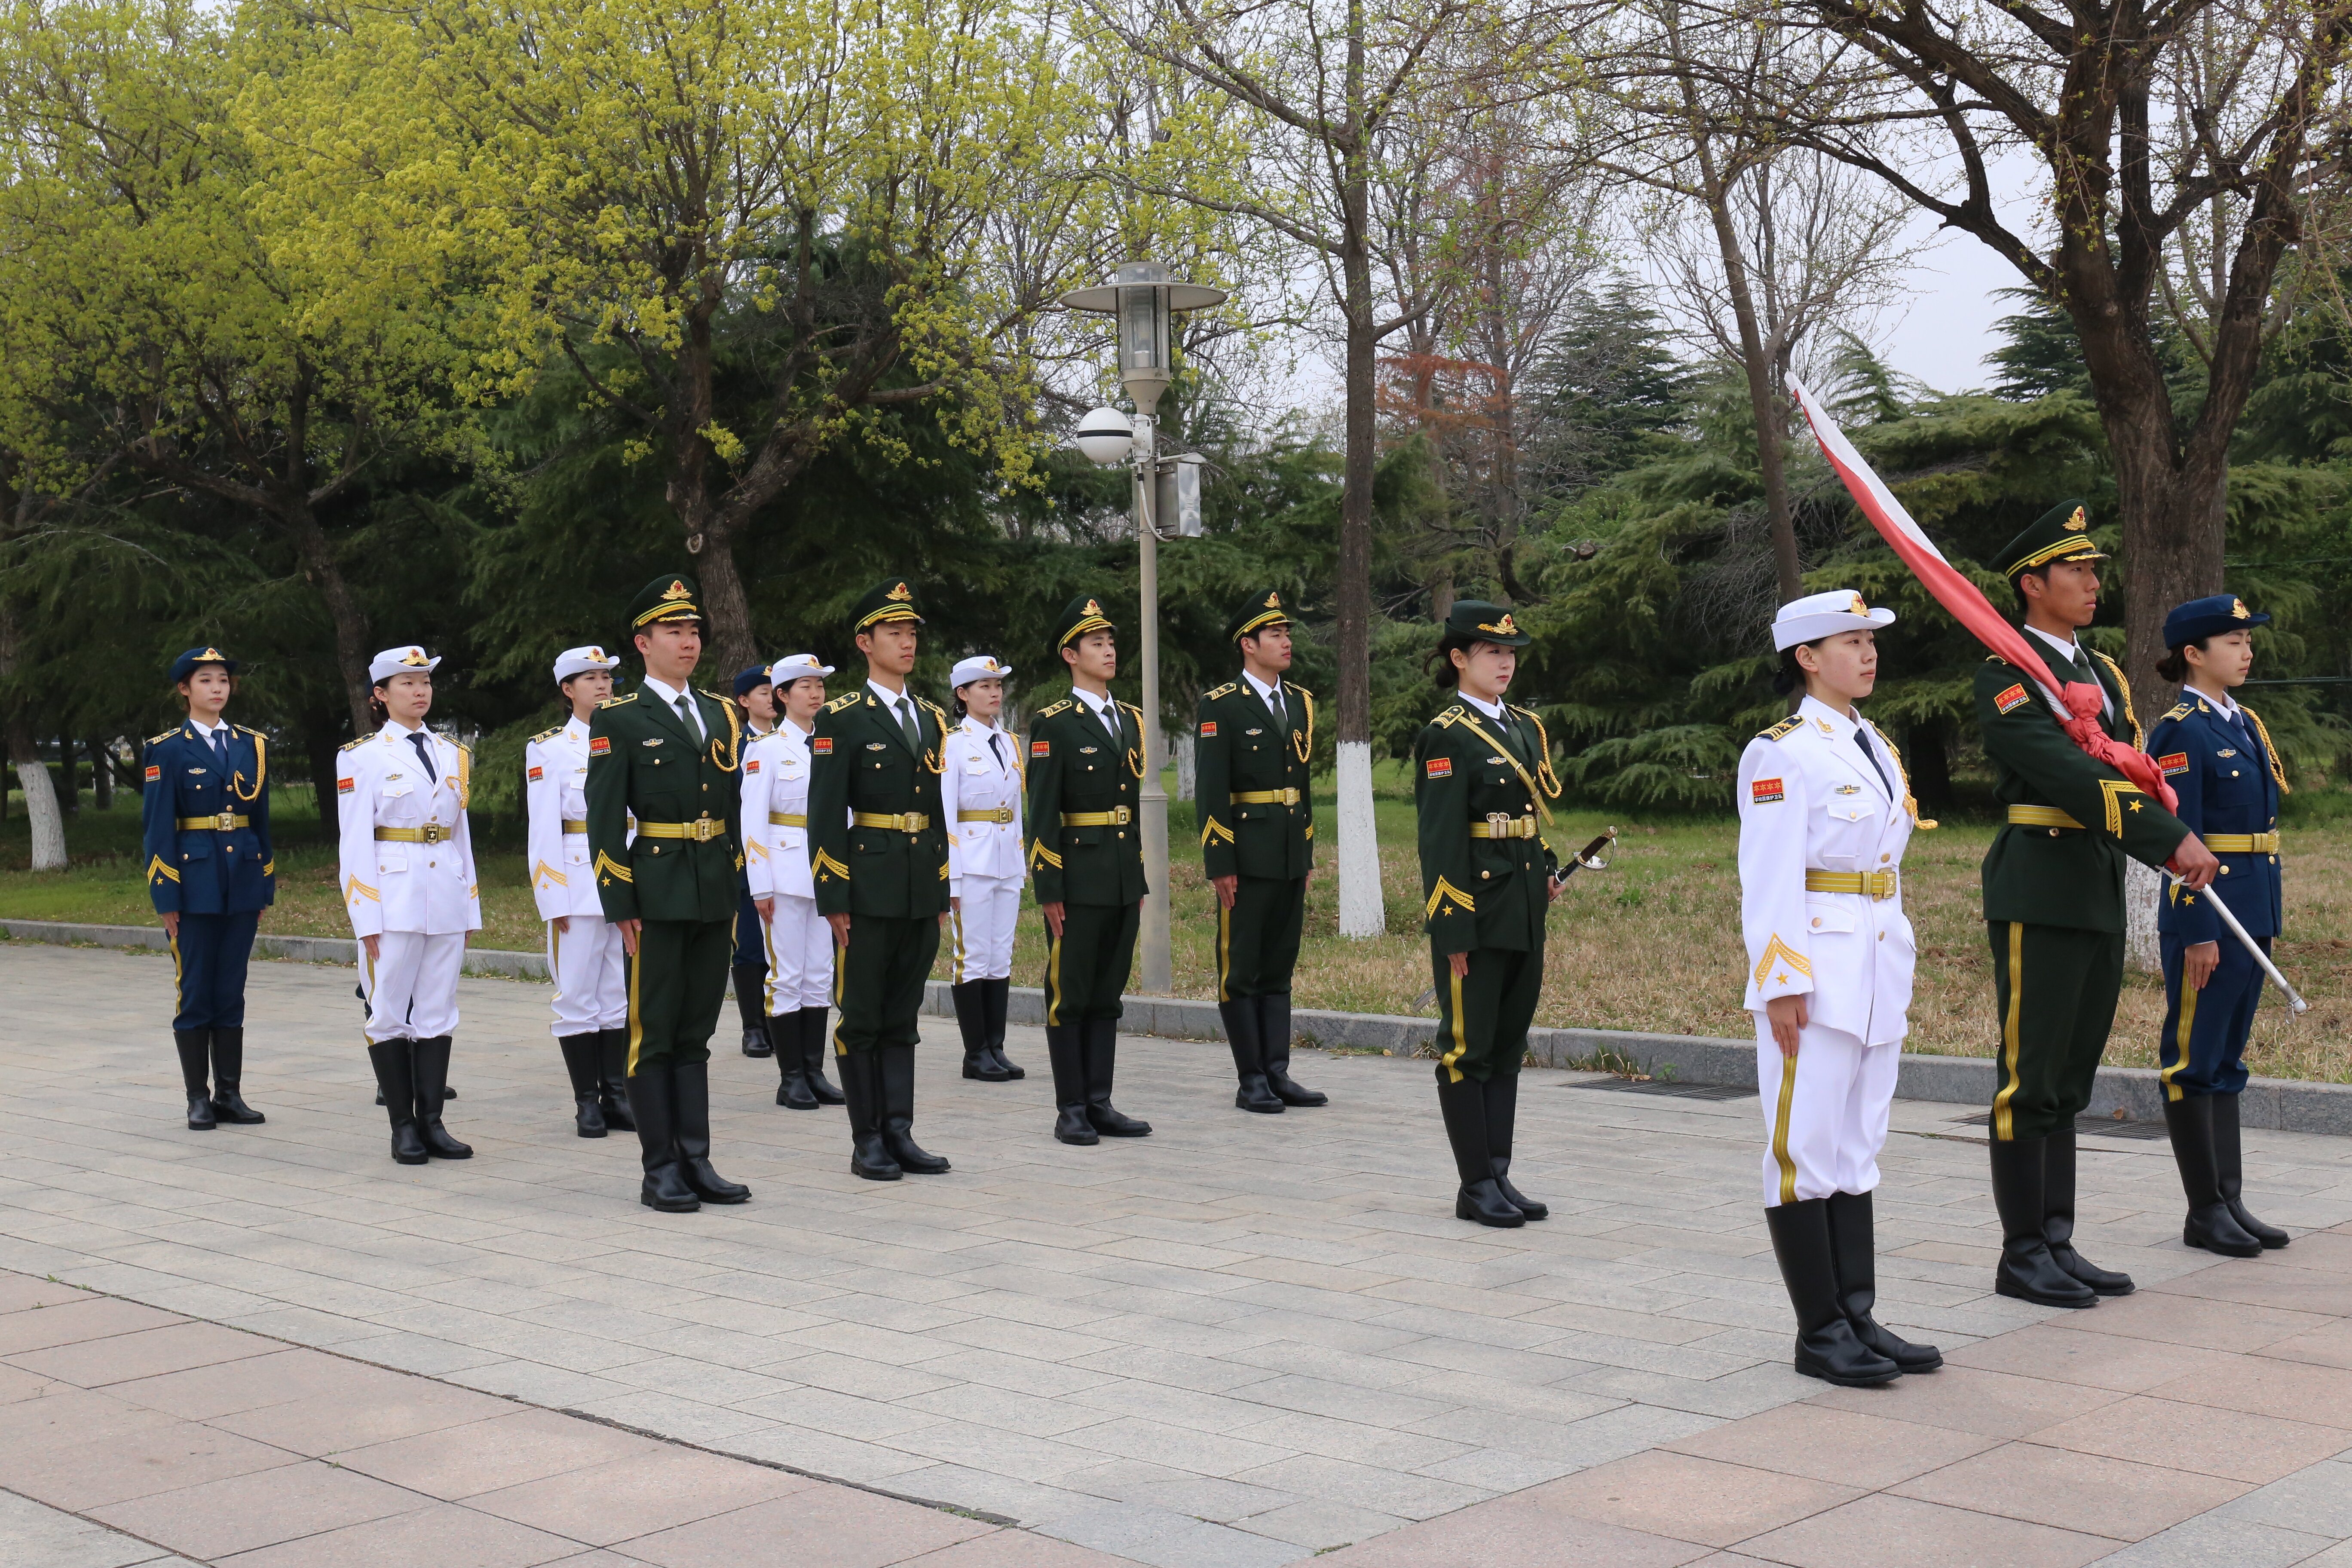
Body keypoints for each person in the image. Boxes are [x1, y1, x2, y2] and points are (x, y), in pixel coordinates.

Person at [1976, 501, 2216, 1306]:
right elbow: (2070, 775)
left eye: (2092, 568)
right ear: (2031, 583)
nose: (2090, 581)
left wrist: (2160, 822)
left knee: (2070, 1076)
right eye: (2074, 569)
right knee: (2029, 1074)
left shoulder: (2102, 673)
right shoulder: (2005, 675)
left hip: (2094, 882)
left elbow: (2125, 762)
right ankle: (2021, 1253)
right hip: (2039, 885)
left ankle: (2056, 1239)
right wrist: (2167, 838)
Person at [1737, 591, 1942, 1387]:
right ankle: (1819, 1331)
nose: (1868, 653)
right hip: (1817, 971)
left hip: (1877, 960)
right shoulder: (1781, 753)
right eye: (1850, 641)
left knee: (1858, 1147)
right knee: (1804, 1150)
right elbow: (1768, 877)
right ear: (1807, 658)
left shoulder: (1874, 744)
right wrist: (1781, 979)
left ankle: (1857, 1314)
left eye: (1869, 640)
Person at [585, 576, 752, 1213]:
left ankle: (696, 1159)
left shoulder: (720, 712)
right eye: (674, 632)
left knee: (696, 1031)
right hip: (655, 889)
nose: (689, 642)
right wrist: (620, 903)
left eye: (694, 631)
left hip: (712, 887)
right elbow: (603, 818)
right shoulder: (619, 717)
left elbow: (732, 805)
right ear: (643, 643)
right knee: (653, 1031)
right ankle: (660, 1169)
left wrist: (735, 876)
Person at [2148, 595, 2292, 1256]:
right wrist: (2197, 930)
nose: (2247, 651)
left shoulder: (2242, 722)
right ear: (2194, 654)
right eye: (2233, 641)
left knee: (2227, 1059)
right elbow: (2181, 839)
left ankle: (2229, 1201)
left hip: (2251, 909)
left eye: (2248, 640)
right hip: (2210, 914)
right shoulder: (2182, 730)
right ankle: (2204, 1211)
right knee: (2192, 1060)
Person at [1412, 601, 1562, 1228]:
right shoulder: (1446, 734)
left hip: (1521, 903)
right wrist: (1452, 925)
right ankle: (1474, 1184)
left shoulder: (1522, 725)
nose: (1505, 663)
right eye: (1492, 652)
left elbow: (1526, 815)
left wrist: (1546, 864)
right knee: (1466, 1048)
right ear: (1459, 658)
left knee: (1506, 1046)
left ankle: (1498, 1173)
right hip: (1475, 908)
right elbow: (1440, 838)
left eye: (1510, 653)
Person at [807, 580, 955, 1180]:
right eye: (894, 633)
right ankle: (866, 1138)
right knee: (863, 1015)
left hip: (919, 884)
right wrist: (833, 895)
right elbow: (824, 814)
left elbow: (936, 811)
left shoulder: (931, 717)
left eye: (911, 632)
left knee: (903, 1015)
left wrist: (941, 887)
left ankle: (900, 1131)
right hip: (868, 884)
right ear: (865, 643)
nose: (907, 642)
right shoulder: (841, 718)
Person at [338, 646, 479, 1165]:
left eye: (425, 683)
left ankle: (433, 1123)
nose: (420, 692)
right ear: (380, 694)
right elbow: (354, 843)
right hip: (392, 898)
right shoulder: (361, 756)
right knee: (389, 1013)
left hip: (445, 892)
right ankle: (403, 1127)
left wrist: (470, 905)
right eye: (407, 684)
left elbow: (460, 834)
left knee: (438, 1012)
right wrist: (365, 916)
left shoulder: (451, 752)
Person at [1024, 597, 1152, 1145]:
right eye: (1097, 644)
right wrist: (1049, 887)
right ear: (1071, 656)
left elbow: (1130, 807)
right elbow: (1042, 814)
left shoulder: (1130, 719)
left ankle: (1100, 1101)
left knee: (1107, 995)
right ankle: (1071, 1108)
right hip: (1077, 877)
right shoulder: (1053, 723)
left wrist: (1136, 878)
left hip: (1121, 876)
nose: (1109, 651)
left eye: (1111, 642)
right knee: (1070, 994)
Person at [1195, 589, 1324, 1113]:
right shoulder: (1222, 704)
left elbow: (1302, 785)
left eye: (1287, 633)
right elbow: (1211, 791)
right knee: (1241, 967)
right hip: (1246, 856)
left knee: (1278, 966)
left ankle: (1278, 1072)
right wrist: (1220, 864)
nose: (1286, 641)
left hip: (1289, 851)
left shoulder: (1299, 702)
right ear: (1248, 645)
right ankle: (1251, 1078)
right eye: (1275, 634)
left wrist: (1306, 853)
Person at [141, 647, 273, 1131]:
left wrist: (264, 884)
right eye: (205, 681)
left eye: (223, 680)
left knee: (231, 989)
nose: (217, 688)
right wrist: (166, 896)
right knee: (195, 989)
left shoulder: (251, 745)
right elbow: (157, 827)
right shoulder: (167, 749)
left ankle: (230, 1095)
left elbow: (261, 820)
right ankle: (198, 1097)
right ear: (185, 689)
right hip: (193, 882)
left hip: (242, 879)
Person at [524, 645, 634, 1138]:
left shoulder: (628, 735)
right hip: (577, 879)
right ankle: (586, 1102)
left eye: (607, 676)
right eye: (591, 678)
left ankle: (617, 1096)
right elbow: (543, 829)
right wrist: (552, 896)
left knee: (616, 994)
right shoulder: (549, 749)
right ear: (568, 690)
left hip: (625, 880)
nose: (603, 684)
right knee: (576, 995)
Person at [742, 652, 845, 1110]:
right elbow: (752, 821)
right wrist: (760, 885)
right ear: (782, 695)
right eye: (805, 686)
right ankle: (791, 1078)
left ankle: (814, 1071)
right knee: (786, 976)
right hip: (783, 874)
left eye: (820, 685)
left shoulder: (832, 744)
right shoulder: (766, 749)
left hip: (825, 873)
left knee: (819, 975)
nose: (816, 693)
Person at [940, 655, 1026, 1083]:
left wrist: (1021, 861)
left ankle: (996, 1047)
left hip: (1006, 857)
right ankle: (975, 1053)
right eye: (985, 686)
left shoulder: (1009, 742)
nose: (995, 693)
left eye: (998, 686)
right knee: (972, 957)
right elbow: (946, 813)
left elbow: (1016, 807)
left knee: (999, 956)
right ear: (963, 694)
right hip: (971, 860)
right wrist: (951, 877)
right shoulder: (953, 744)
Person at [730, 665, 778, 1058]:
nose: (772, 698)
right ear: (745, 701)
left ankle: (780, 1021)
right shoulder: (735, 748)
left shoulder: (794, 741)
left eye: (776, 691)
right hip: (745, 859)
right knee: (749, 943)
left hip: (788, 855)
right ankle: (754, 1027)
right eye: (764, 692)